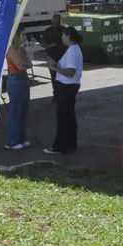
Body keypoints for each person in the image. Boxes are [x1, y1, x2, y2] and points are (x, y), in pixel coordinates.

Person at [46, 27, 83, 155]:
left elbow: (71, 72)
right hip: (70, 86)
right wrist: (56, 64)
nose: (62, 38)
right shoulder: (74, 49)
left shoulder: (72, 51)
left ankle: (60, 146)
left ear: (68, 36)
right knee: (69, 116)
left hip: (67, 86)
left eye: (63, 36)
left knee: (62, 116)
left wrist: (54, 69)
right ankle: (70, 143)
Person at [2, 38, 32, 150]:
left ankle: (21, 138)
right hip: (16, 79)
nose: (24, 37)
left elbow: (30, 64)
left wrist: (25, 63)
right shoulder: (12, 50)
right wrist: (25, 63)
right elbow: (21, 66)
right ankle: (11, 141)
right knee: (15, 110)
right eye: (22, 34)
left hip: (23, 78)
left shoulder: (22, 50)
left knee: (24, 109)